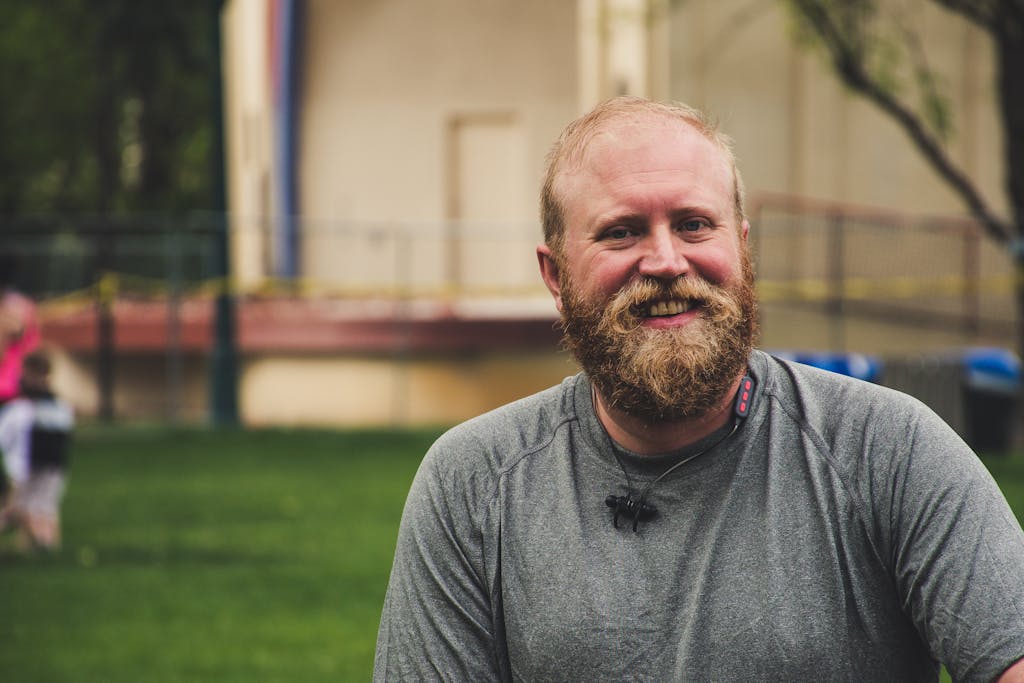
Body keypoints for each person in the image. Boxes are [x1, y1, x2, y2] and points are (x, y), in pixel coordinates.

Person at [374, 97, 1024, 681]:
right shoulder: (473, 486)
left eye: (693, 224)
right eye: (621, 230)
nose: (665, 261)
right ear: (555, 273)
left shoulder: (890, 451)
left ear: (741, 250)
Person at [0, 349, 74, 552]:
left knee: (22, 510)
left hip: (32, 468)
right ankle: (38, 549)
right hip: (49, 468)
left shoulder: (25, 409)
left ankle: (44, 545)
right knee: (42, 509)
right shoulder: (57, 407)